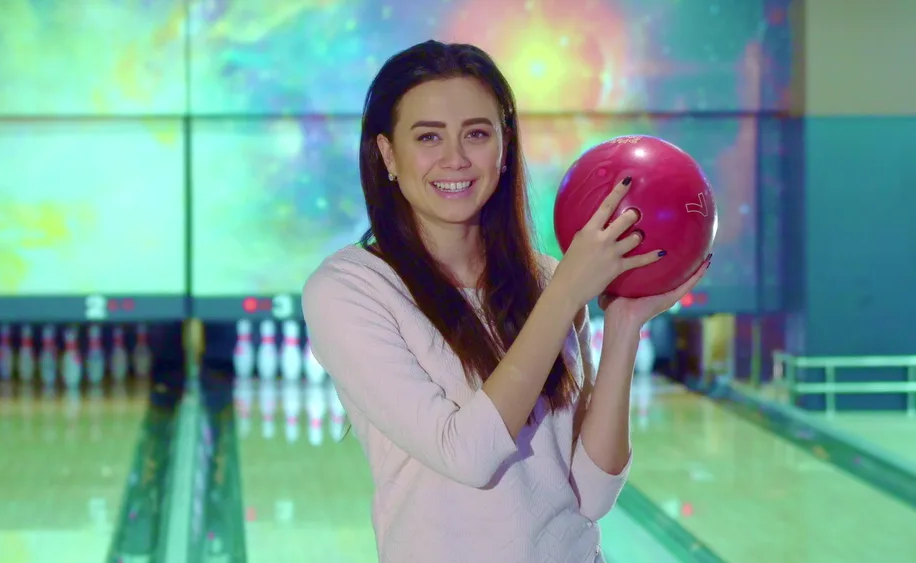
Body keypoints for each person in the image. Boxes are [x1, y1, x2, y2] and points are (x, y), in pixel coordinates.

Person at [301, 40, 709, 563]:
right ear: (387, 155)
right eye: (428, 136)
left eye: (476, 133)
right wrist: (565, 295)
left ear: (503, 146)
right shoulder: (349, 289)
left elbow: (593, 494)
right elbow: (466, 455)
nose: (455, 158)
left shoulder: (546, 279)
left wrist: (625, 323)